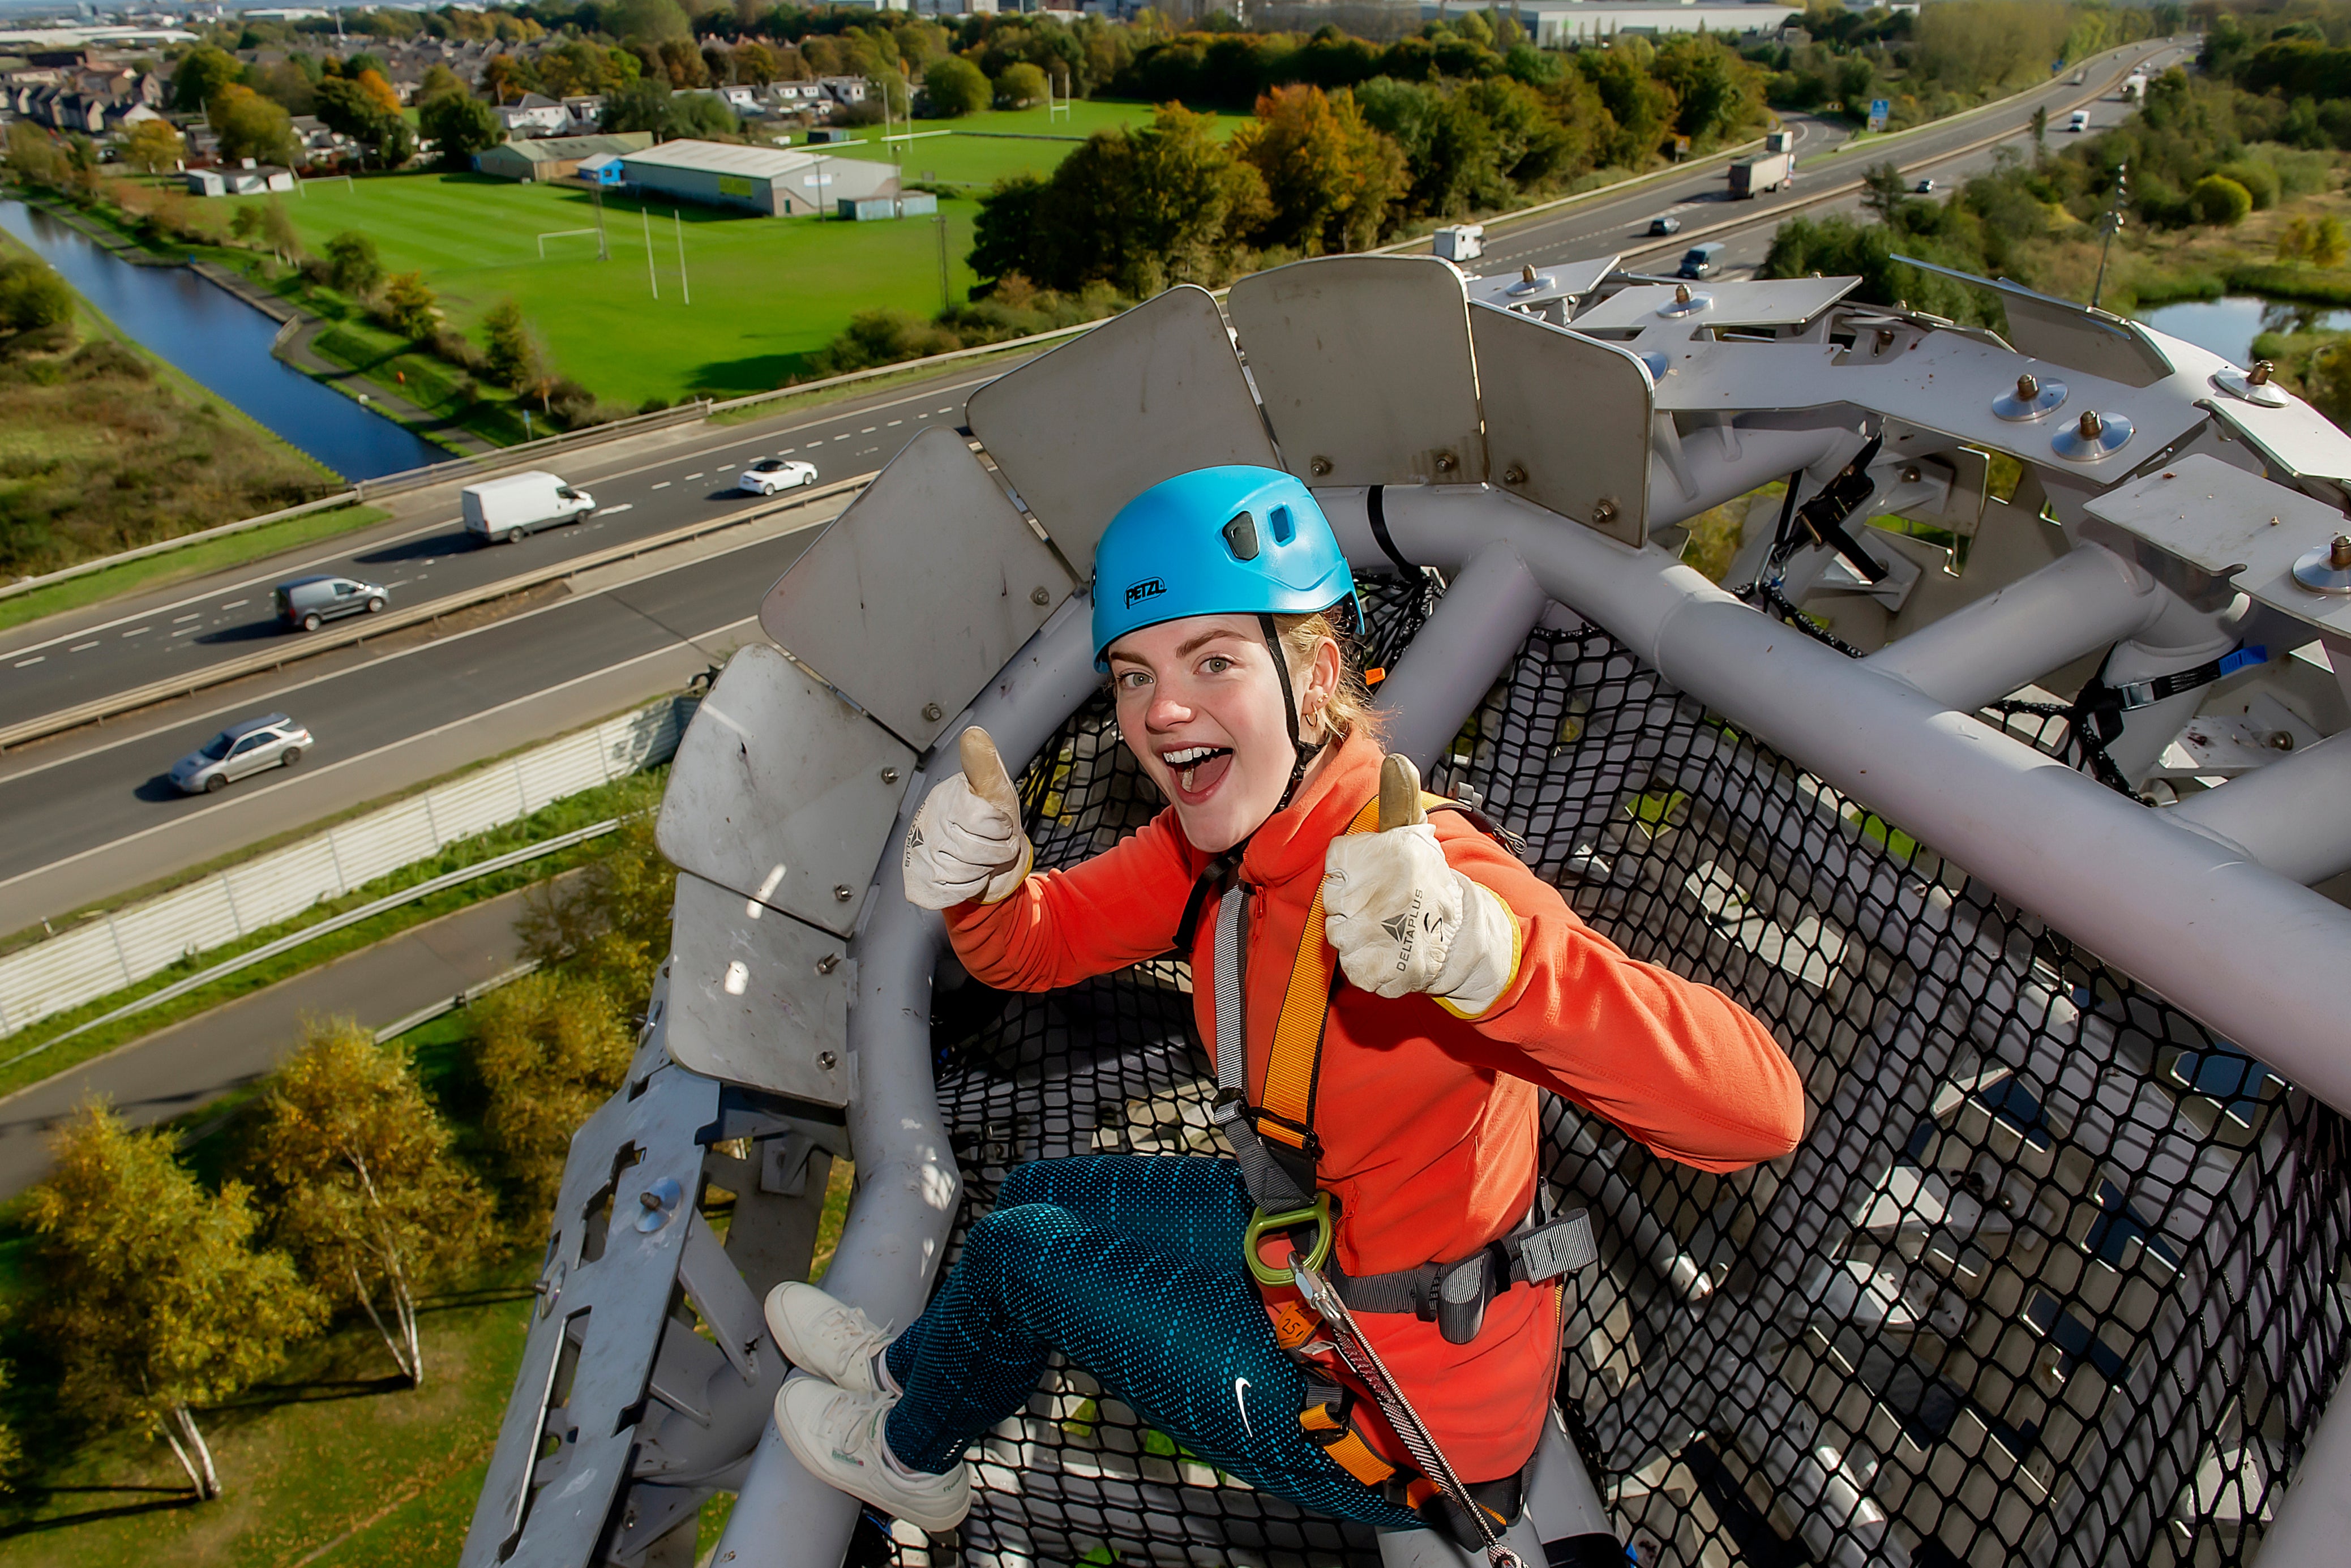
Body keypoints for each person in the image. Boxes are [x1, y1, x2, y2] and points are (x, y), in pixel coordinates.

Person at [764, 465, 1805, 1542]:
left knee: (1030, 1256)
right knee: (1038, 1189)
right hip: (1311, 1242)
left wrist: (1494, 962)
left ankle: (907, 1455)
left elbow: (1757, 1112)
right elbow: (1037, 944)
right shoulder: (1216, 845)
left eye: (1212, 661)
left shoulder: (1429, 884)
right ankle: (907, 1367)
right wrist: (984, 885)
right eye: (1132, 675)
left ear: (1313, 678)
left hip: (1405, 1399)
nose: (1162, 711)